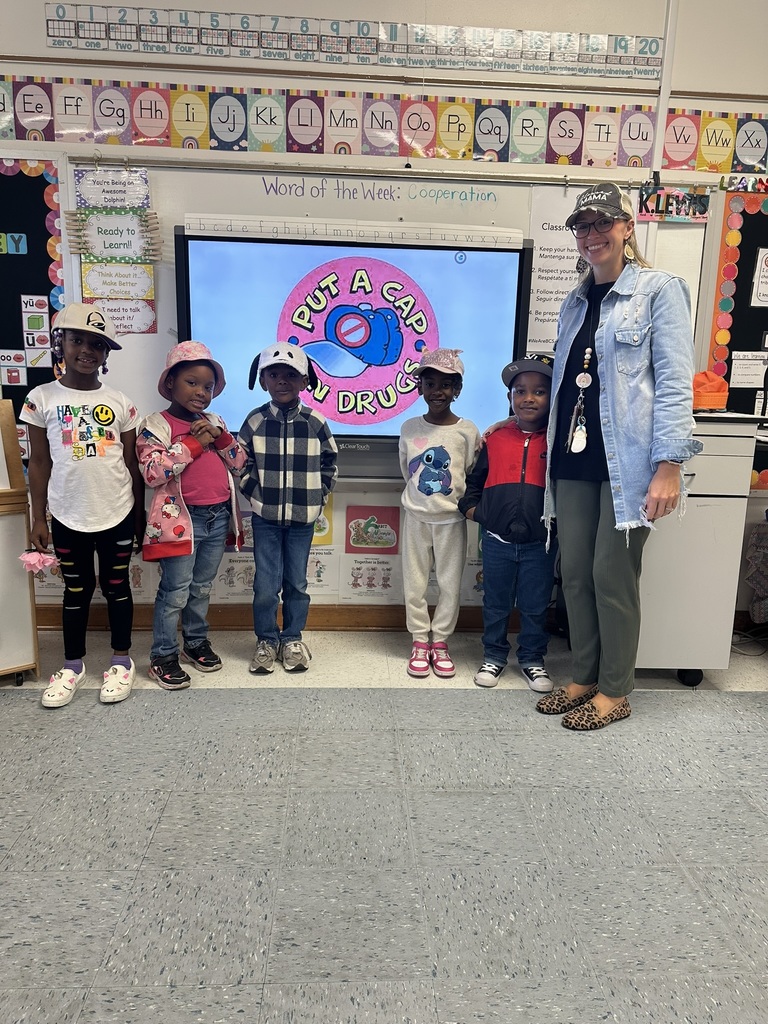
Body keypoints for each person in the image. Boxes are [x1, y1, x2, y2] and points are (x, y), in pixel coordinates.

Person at [536, 182, 702, 730]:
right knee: (577, 573)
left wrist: (670, 465)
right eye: (582, 226)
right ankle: (584, 675)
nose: (591, 235)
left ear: (627, 228)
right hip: (573, 458)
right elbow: (568, 384)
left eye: (602, 223)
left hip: (628, 463)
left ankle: (616, 689)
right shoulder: (574, 300)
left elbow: (677, 385)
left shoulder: (660, 291)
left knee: (613, 573)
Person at [21, 303, 143, 708]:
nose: (86, 350)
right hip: (68, 514)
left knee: (116, 587)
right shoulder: (41, 399)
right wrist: (38, 517)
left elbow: (130, 464)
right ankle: (73, 666)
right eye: (76, 340)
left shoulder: (122, 403)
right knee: (76, 590)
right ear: (61, 344)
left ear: (107, 353)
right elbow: (38, 463)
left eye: (97, 344)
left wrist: (140, 515)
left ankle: (121, 661)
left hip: (118, 512)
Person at [136, 341, 246, 689]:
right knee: (176, 591)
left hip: (217, 518)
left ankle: (195, 643)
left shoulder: (214, 422)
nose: (201, 392)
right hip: (181, 524)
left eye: (208, 386)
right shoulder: (156, 424)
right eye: (192, 382)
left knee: (200, 588)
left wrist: (220, 437)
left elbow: (240, 465)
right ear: (170, 383)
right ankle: (163, 655)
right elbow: (153, 473)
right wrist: (195, 444)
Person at [238, 341, 338, 674]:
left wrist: (317, 495)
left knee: (297, 583)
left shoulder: (315, 421)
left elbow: (330, 463)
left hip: (302, 519)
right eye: (274, 374)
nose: (282, 381)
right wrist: (255, 494)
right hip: (265, 518)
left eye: (291, 375)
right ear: (263, 380)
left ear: (305, 381)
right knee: (266, 584)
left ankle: (292, 637)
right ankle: (266, 640)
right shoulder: (254, 421)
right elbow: (240, 463)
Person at [459, 354, 557, 692]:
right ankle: (494, 655)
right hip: (497, 540)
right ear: (509, 397)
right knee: (496, 602)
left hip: (540, 543)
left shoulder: (558, 441)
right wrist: (475, 511)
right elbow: (475, 482)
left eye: (539, 391)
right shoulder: (495, 439)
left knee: (534, 604)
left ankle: (532, 658)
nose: (528, 398)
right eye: (520, 391)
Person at [399, 348, 480, 678]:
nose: (437, 391)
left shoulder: (468, 431)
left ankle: (440, 641)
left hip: (451, 520)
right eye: (429, 383)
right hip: (416, 517)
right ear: (419, 388)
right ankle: (420, 640)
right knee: (414, 584)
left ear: (457, 390)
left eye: (446, 385)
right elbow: (408, 471)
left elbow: (469, 471)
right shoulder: (408, 428)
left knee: (449, 584)